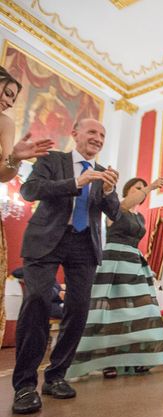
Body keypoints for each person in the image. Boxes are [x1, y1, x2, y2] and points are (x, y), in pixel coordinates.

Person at [12, 118, 121, 415]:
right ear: (75, 134)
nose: (97, 138)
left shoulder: (103, 174)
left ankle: (56, 376)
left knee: (78, 308)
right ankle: (23, 385)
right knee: (36, 301)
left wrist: (110, 192)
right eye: (92, 132)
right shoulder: (53, 160)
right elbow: (30, 190)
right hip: (46, 240)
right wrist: (76, 183)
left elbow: (115, 214)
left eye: (102, 134)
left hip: (83, 246)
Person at [66, 176, 163, 379]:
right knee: (113, 312)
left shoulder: (140, 217)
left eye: (143, 189)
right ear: (127, 191)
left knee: (143, 311)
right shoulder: (115, 208)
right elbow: (123, 206)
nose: (141, 191)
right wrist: (149, 187)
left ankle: (137, 358)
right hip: (114, 260)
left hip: (134, 261)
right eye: (137, 188)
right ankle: (108, 360)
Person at [0, 67, 54, 347]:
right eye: (7, 93)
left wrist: (15, 159)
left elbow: (3, 173)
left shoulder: (4, 123)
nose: (9, 102)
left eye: (13, 98)